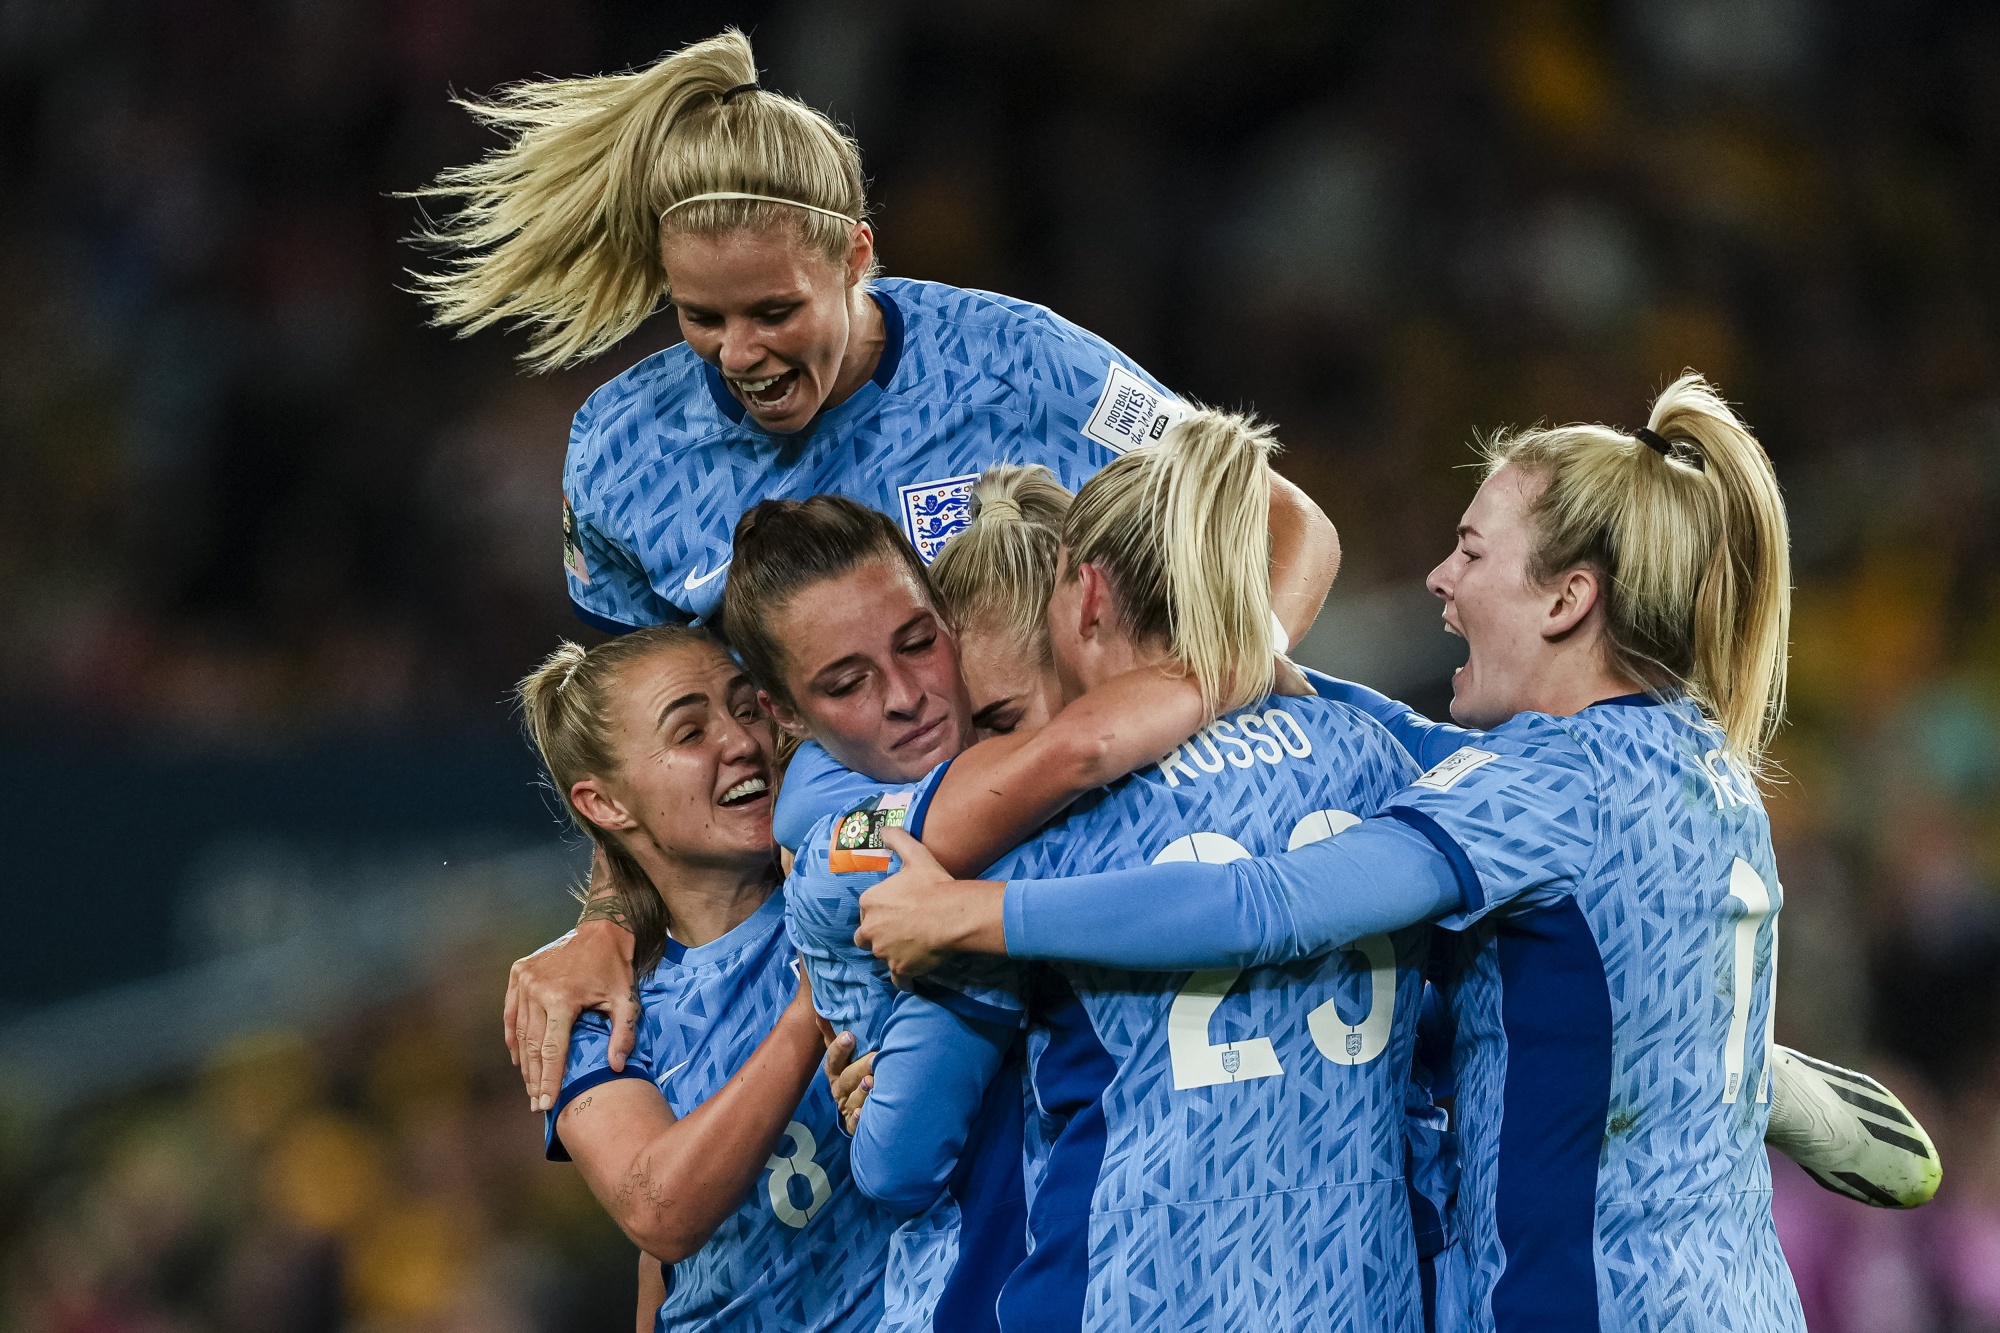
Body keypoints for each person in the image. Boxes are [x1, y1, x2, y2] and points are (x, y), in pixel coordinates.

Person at [856, 374, 1920, 1332]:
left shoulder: (1536, 792)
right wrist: (1254, 669)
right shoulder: (1702, 763)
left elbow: (1265, 907)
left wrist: (972, 913)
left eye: (1471, 551)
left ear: (1567, 599)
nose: (1437, 578)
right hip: (1736, 1293)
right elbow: (1540, 924)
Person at [413, 26, 1340, 1088]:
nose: (740, 355)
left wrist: (1222, 686)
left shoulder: (1015, 362)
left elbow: (1286, 523)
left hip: (1084, 851)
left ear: (856, 256)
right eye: (699, 317)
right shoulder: (624, 455)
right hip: (845, 924)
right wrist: (608, 925)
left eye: (775, 311)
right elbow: (648, 744)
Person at [839, 410, 1433, 1331]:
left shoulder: (1042, 837)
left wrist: (870, 1083)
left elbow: (900, 1159)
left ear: (1084, 594)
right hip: (1360, 1297)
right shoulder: (1378, 756)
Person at [513, 626, 896, 1331]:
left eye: (747, 710)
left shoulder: (852, 866)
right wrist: (816, 996)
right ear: (606, 804)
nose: (741, 741)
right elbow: (660, 1213)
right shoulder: (598, 1007)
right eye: (690, 733)